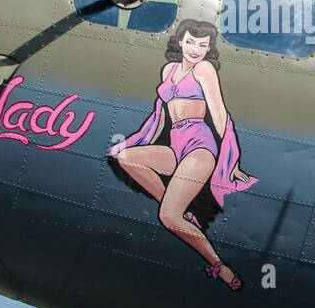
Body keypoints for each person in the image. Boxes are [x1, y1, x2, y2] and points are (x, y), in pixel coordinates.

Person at [109, 20, 257, 291]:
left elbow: (220, 113)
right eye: (190, 42)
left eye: (203, 45)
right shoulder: (169, 70)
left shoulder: (204, 69)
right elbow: (159, 116)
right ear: (180, 42)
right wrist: (138, 140)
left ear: (209, 48)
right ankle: (183, 212)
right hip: (175, 143)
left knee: (167, 217)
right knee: (126, 158)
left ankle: (219, 265)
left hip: (199, 146)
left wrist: (231, 155)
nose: (195, 49)